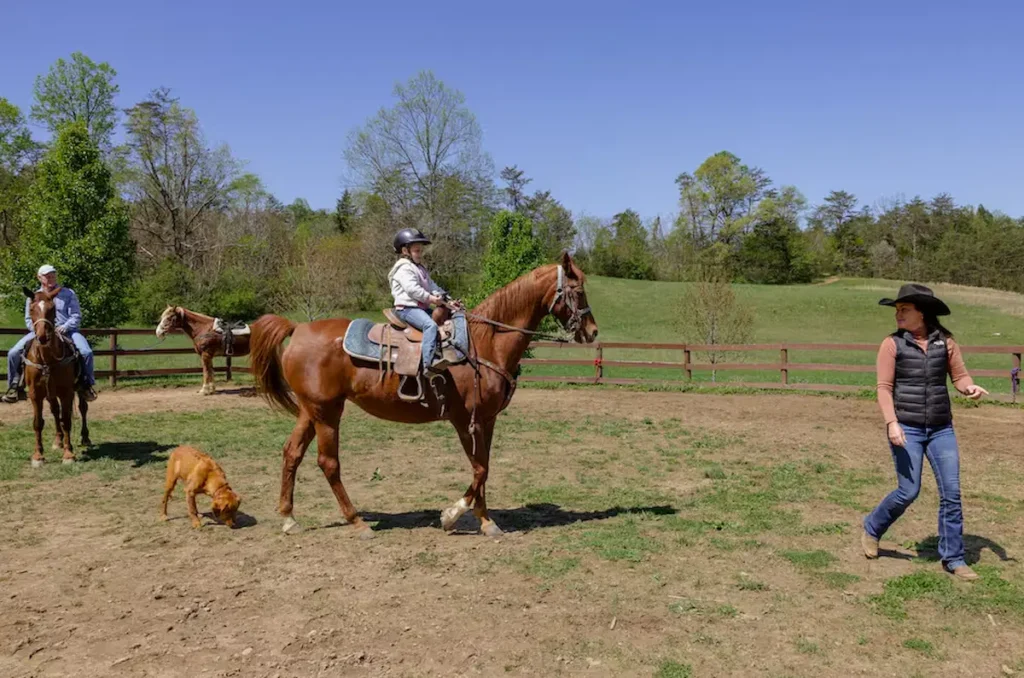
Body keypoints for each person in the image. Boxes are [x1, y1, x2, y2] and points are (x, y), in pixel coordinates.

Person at [861, 283, 987, 581]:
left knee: (952, 493)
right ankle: (872, 528)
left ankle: (954, 558)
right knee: (908, 490)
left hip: (941, 428)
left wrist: (968, 387)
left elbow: (959, 375)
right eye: (897, 310)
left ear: (923, 313)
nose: (898, 315)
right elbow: (883, 388)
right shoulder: (892, 344)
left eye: (905, 309)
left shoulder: (946, 342)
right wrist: (892, 422)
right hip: (906, 427)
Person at [2, 264, 97, 404]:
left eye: (53, 275)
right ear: (40, 278)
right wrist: (38, 330)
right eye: (47, 276)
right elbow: (29, 320)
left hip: (68, 332)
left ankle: (86, 384)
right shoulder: (33, 296)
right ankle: (15, 386)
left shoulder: (68, 293)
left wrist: (65, 327)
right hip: (40, 332)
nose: (51, 277)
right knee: (13, 353)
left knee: (86, 351)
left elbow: (76, 315)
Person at [388, 228, 450, 375]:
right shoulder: (404, 268)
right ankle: (429, 363)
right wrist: (432, 299)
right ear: (405, 251)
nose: (420, 254)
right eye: (416, 251)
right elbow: (412, 290)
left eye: (420, 251)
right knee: (430, 326)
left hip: (419, 308)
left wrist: (448, 300)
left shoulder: (420, 268)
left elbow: (432, 286)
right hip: (407, 308)